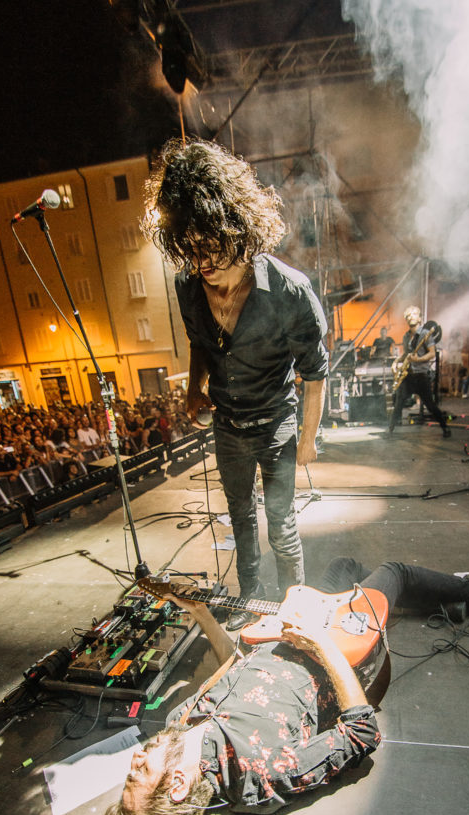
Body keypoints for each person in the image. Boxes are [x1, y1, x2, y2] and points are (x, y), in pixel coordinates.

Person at [85, 556, 469, 815]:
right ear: (179, 785)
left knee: (342, 568)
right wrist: (320, 643)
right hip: (332, 645)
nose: (136, 757)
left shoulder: (178, 724)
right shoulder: (259, 777)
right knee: (396, 572)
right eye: (140, 771)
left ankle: (437, 598)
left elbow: (235, 665)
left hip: (288, 630)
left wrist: (202, 614)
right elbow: (361, 733)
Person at [142, 139, 329, 628]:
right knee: (241, 521)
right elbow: (199, 342)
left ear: (237, 229)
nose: (201, 262)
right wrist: (193, 389)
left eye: (210, 246)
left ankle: (294, 612)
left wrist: (308, 438)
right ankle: (250, 602)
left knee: (281, 527)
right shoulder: (188, 286)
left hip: (277, 425)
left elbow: (315, 372)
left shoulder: (288, 291)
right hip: (228, 427)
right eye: (190, 249)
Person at [389, 306, 450, 437]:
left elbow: (432, 353)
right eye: (408, 315)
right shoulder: (406, 336)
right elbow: (407, 354)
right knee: (398, 402)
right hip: (408, 375)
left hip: (421, 375)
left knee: (430, 405)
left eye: (414, 314)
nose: (411, 317)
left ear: (420, 318)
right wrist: (396, 361)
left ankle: (445, 428)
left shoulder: (425, 334)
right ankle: (390, 430)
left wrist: (419, 359)